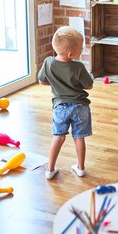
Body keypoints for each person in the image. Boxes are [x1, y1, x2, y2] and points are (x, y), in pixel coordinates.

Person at [38, 26, 94, 180]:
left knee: (58, 137)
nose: (82, 50)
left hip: (60, 107)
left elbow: (42, 81)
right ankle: (81, 168)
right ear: (71, 54)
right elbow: (89, 85)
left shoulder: (48, 63)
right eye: (80, 48)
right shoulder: (78, 67)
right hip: (80, 107)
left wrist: (57, 85)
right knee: (79, 137)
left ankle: (50, 170)